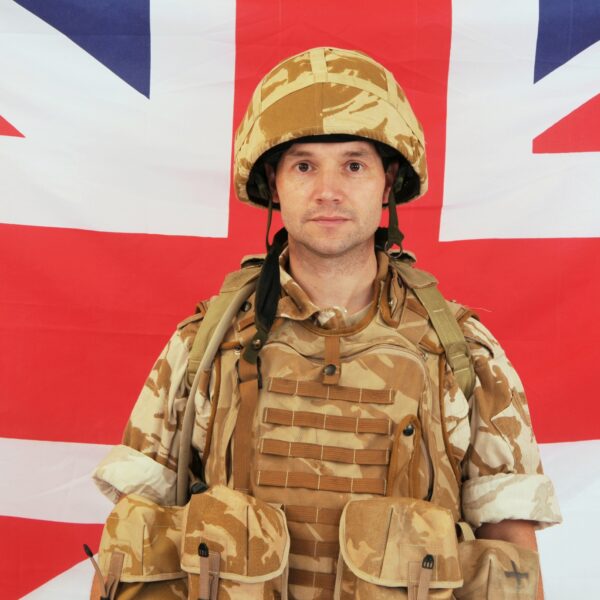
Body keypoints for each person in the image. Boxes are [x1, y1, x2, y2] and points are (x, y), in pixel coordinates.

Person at [93, 47, 561, 599]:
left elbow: (508, 552)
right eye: (305, 165)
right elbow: (137, 539)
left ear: (388, 183)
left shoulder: (462, 353)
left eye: (354, 165)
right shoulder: (204, 344)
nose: (328, 191)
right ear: (275, 183)